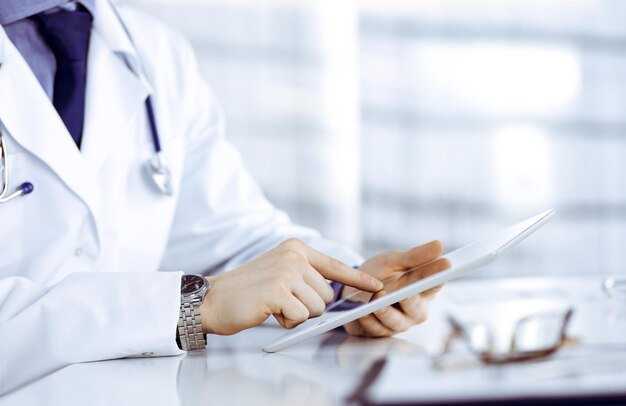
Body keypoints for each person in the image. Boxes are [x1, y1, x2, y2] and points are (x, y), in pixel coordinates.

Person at [0, 0, 449, 394]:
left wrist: (346, 286)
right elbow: (212, 292)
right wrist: (191, 304)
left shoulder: (153, 50)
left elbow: (227, 232)